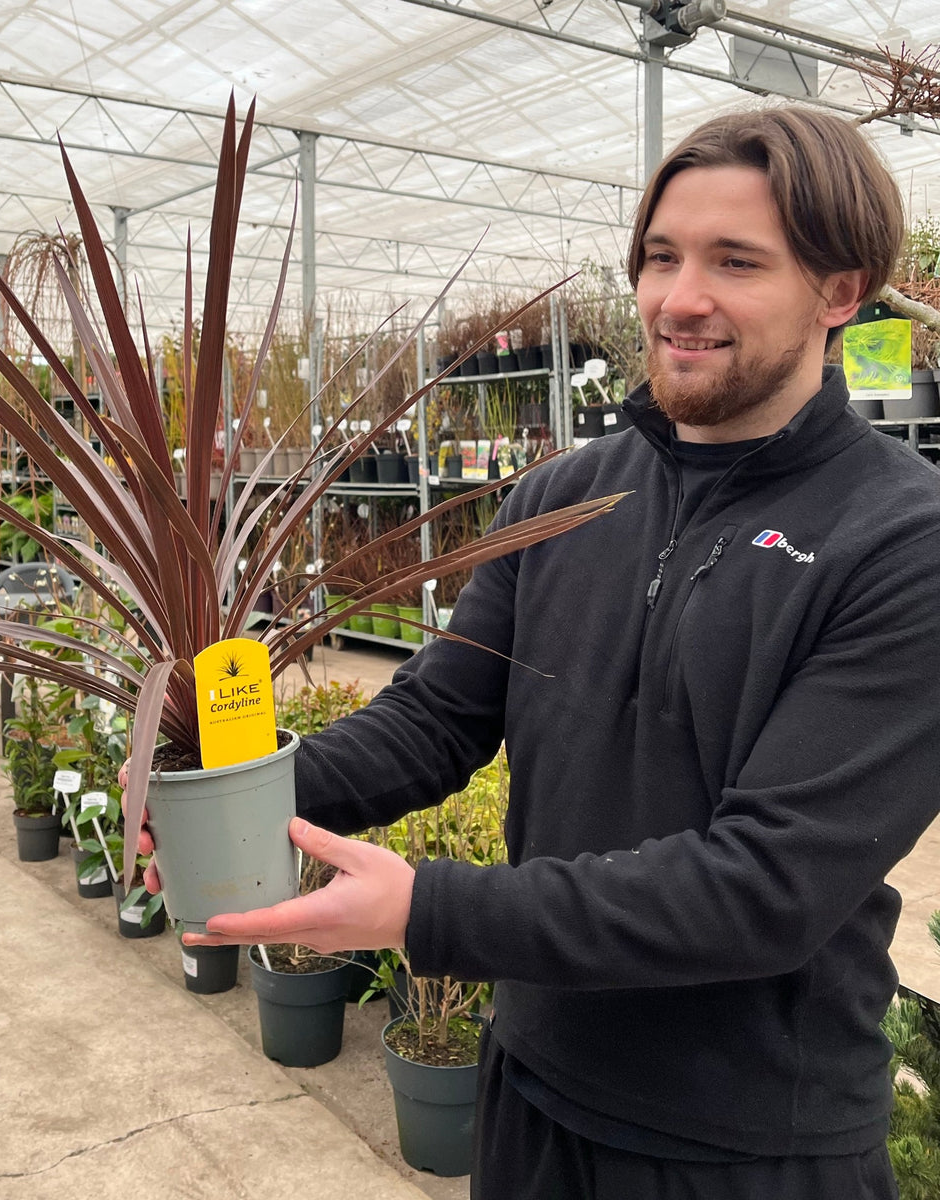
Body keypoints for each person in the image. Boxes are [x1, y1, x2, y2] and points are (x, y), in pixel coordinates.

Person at [131, 107, 940, 1199]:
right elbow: (437, 718)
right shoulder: (566, 494)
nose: (679, 298)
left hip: (749, 1143)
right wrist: (217, 791)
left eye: (735, 262)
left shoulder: (901, 539)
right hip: (532, 1093)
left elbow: (766, 885)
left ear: (840, 293)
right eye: (661, 257)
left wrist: (428, 911)